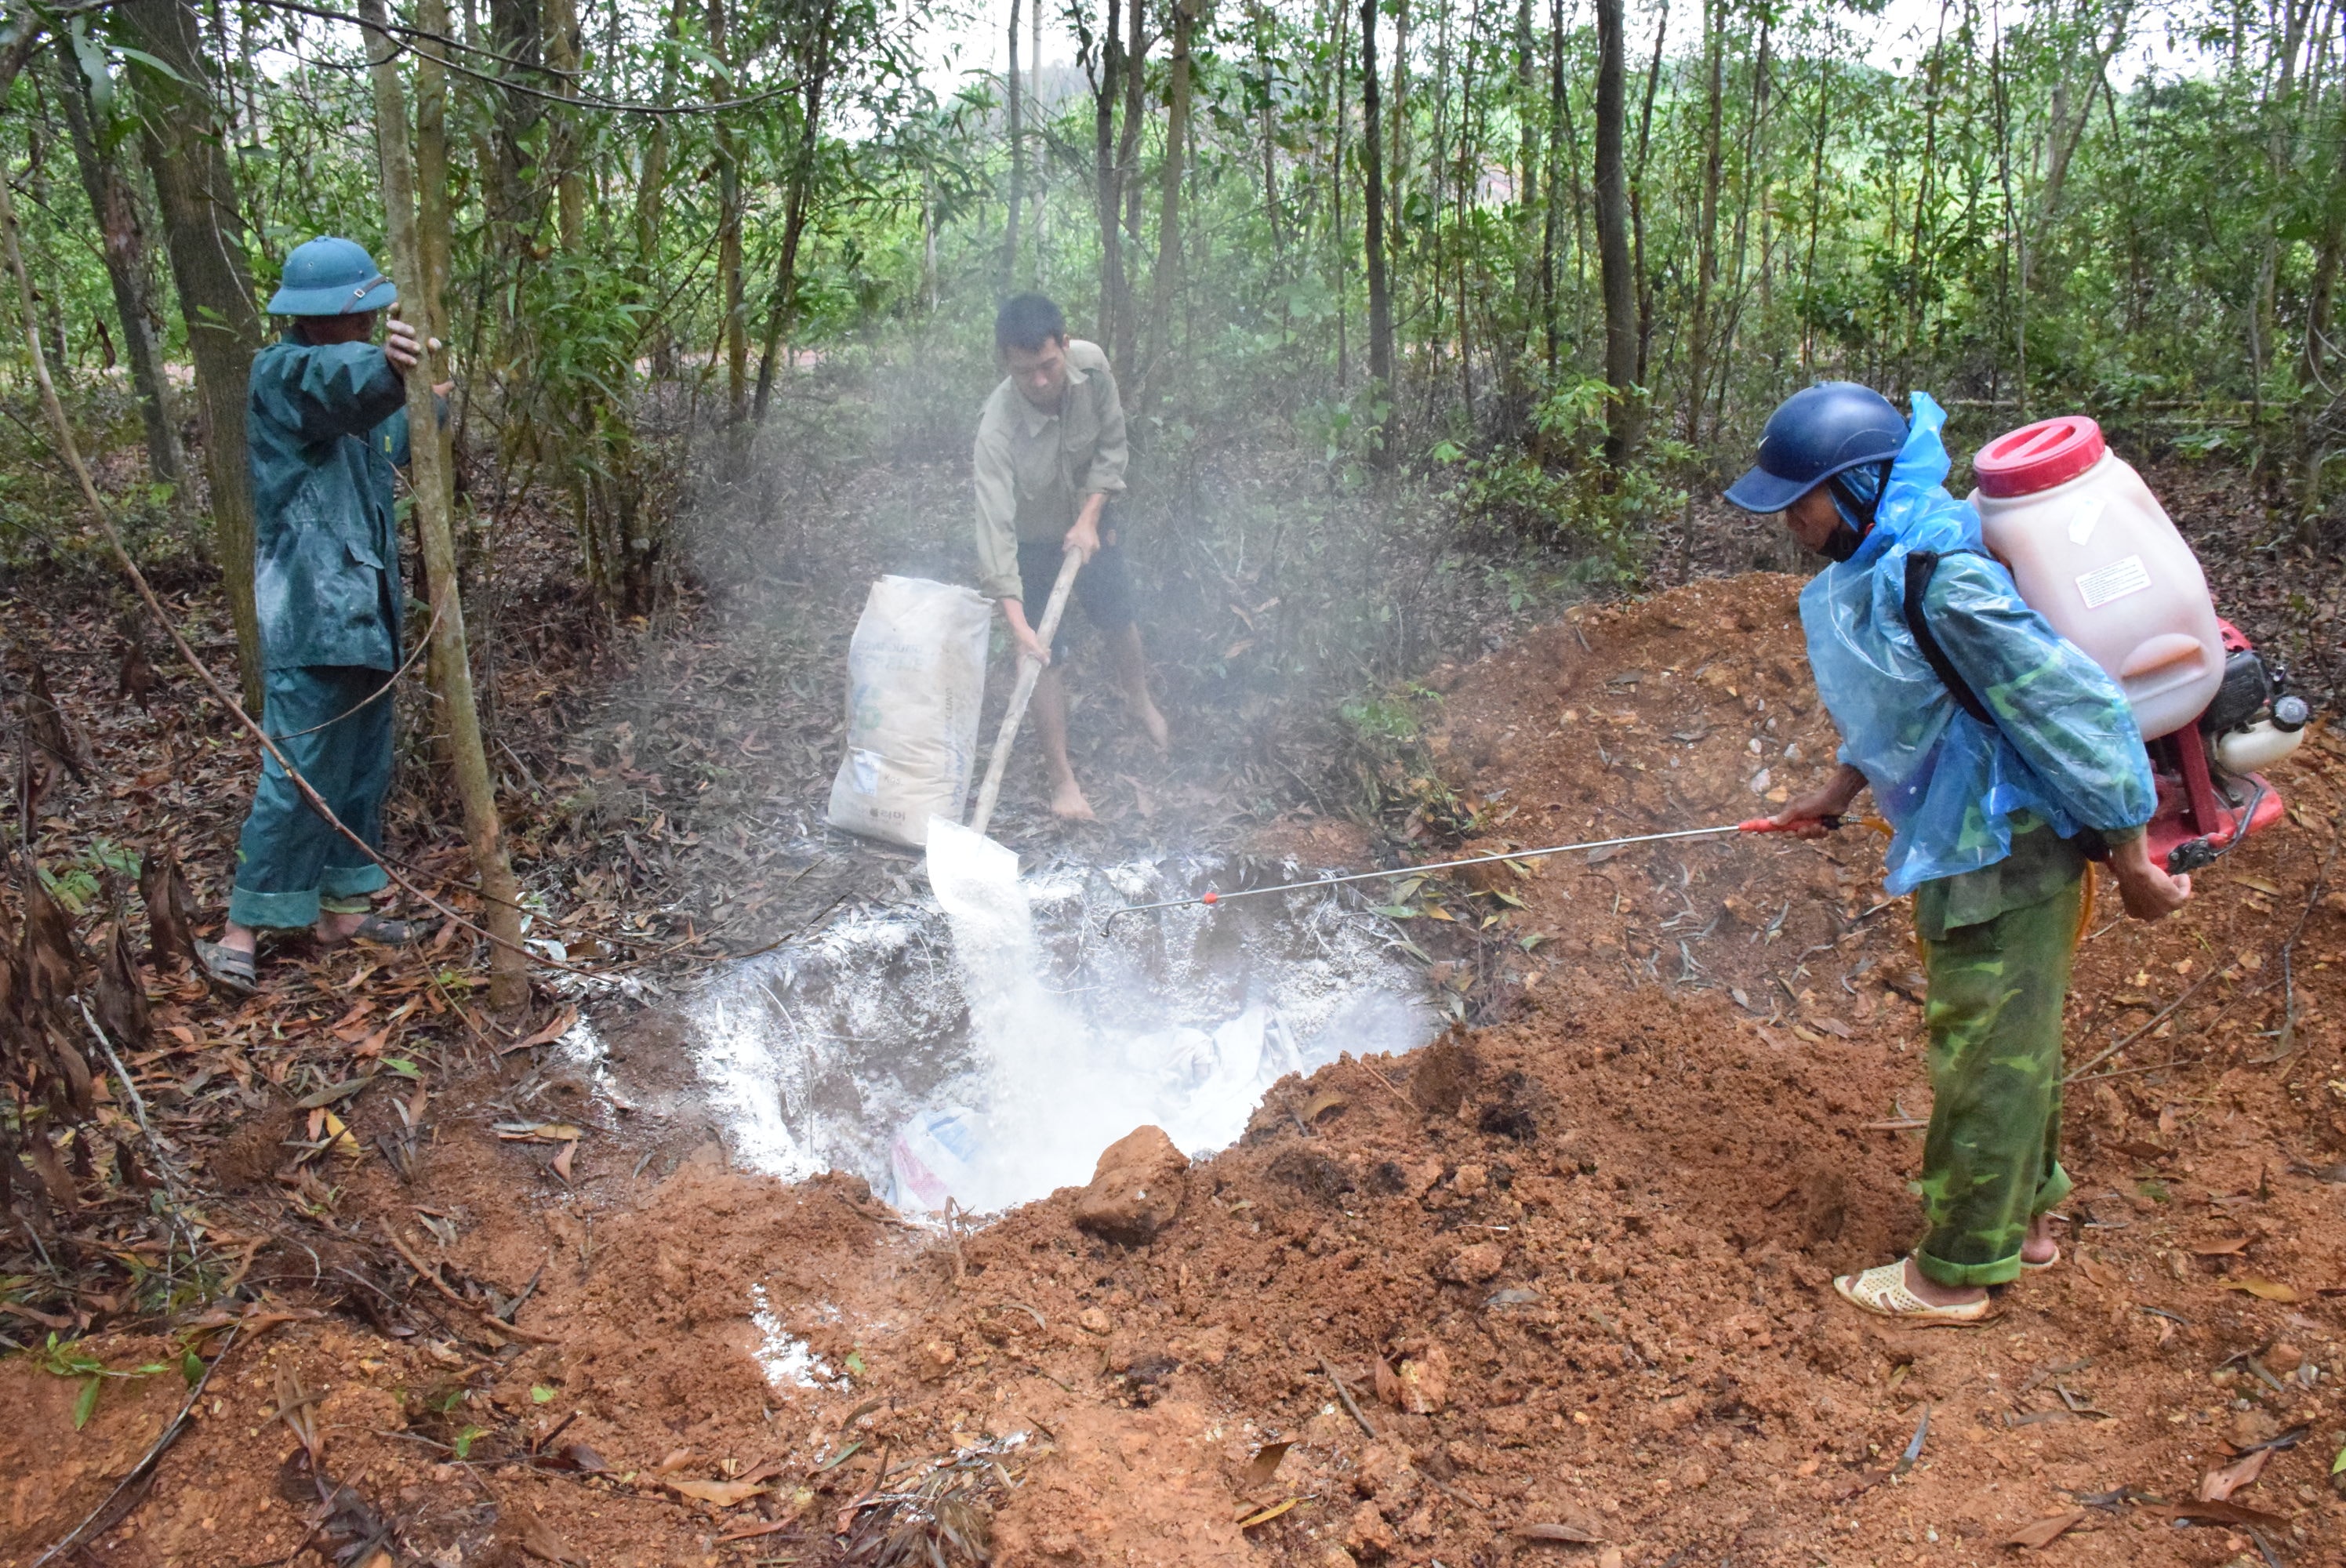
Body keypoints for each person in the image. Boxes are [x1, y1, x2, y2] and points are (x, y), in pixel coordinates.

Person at [1722, 382, 2192, 1325]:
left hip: (2006, 848)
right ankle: (2023, 1223)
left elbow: (2084, 717)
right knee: (2015, 1041)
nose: (1788, 520)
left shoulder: (1945, 577)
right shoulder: (1894, 563)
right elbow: (1915, 703)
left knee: (1983, 1053)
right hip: (1971, 835)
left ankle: (1952, 1274)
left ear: (1855, 486)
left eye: (1799, 499)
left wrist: (2134, 860)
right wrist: (1838, 790)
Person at [194, 236, 440, 994]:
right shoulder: (283, 372)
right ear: (317, 318)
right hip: (309, 609)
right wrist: (389, 368)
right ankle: (242, 926)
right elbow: (339, 383)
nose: (366, 326)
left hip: (364, 613)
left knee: (362, 763)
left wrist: (425, 394)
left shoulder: (358, 385)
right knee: (297, 770)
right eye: (357, 315)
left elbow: (395, 431)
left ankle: (341, 907)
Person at [971, 292, 1168, 821]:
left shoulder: (1094, 367)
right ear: (1005, 364)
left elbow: (1111, 446)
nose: (1039, 381)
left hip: (1091, 515)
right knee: (1042, 656)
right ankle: (1062, 779)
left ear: (1064, 343)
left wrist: (1088, 518)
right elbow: (995, 530)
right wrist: (1017, 624)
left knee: (1117, 614)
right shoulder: (995, 430)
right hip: (1034, 541)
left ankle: (1139, 698)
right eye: (1023, 372)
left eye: (1047, 366)